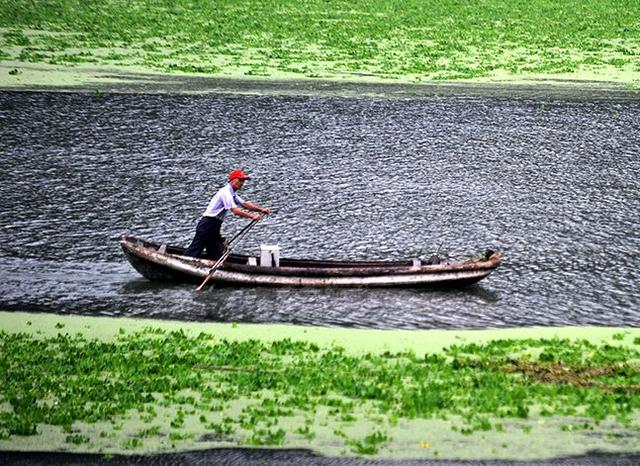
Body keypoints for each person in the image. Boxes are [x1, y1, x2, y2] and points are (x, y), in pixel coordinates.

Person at [184, 169, 270, 260]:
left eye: (243, 181)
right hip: (207, 225)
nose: (242, 183)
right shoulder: (225, 193)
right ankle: (182, 264)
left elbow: (244, 204)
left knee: (216, 255)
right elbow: (235, 211)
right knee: (194, 250)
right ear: (232, 180)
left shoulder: (232, 193)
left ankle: (216, 270)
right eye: (240, 180)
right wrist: (252, 216)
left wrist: (261, 210)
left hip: (215, 226)